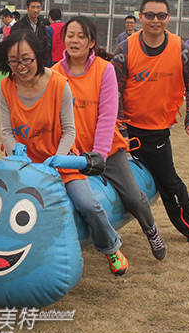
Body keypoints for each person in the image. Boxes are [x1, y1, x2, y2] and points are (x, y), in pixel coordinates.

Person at [0, 29, 129, 275]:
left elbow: (69, 130)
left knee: (88, 204)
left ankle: (111, 247)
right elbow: (7, 131)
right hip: (23, 164)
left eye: (26, 60)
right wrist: (17, 156)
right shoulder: (5, 87)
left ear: (37, 56)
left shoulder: (58, 84)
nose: (21, 67)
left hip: (60, 161)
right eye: (14, 61)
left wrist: (58, 160)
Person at [52, 16, 166, 260]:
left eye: (81, 36)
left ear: (91, 41)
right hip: (70, 153)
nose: (75, 41)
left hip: (107, 151)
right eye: (70, 35)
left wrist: (99, 156)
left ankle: (151, 229)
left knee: (133, 197)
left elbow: (107, 116)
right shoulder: (53, 73)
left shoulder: (105, 69)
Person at [112, 0, 189, 245]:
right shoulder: (125, 49)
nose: (156, 20)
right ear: (140, 17)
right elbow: (112, 92)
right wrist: (120, 130)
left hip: (157, 133)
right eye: (150, 15)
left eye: (161, 15)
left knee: (170, 185)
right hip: (124, 132)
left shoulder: (180, 48)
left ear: (168, 18)